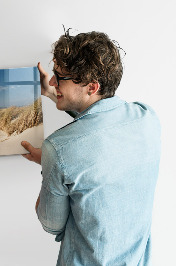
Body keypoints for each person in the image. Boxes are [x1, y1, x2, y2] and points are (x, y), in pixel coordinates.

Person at [21, 30, 161, 265]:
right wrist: (53, 93)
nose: (53, 81)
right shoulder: (147, 118)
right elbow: (100, 123)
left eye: (60, 77)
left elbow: (51, 224)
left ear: (92, 87)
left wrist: (49, 163)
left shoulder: (58, 149)